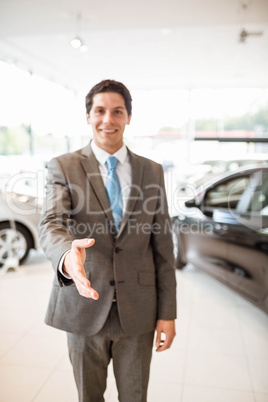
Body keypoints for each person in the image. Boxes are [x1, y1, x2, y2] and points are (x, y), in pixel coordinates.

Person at [38, 79, 177, 402]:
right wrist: (67, 257)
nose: (108, 120)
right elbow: (51, 223)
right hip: (84, 306)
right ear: (88, 116)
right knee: (89, 397)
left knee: (135, 396)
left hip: (139, 311)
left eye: (117, 111)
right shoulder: (64, 166)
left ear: (129, 117)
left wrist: (168, 313)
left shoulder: (152, 171)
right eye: (99, 111)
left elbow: (163, 247)